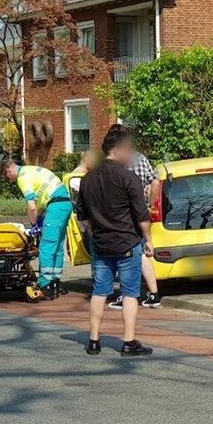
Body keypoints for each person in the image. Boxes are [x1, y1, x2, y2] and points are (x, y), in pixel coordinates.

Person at [77, 125, 154, 357]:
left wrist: (94, 233)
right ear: (119, 149)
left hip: (101, 244)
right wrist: (148, 240)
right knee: (130, 293)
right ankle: (129, 342)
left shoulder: (88, 180)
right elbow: (142, 216)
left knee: (99, 291)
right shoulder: (128, 178)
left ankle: (93, 341)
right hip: (127, 243)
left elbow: (83, 216)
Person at [0, 159, 74, 299]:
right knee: (57, 246)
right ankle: (55, 282)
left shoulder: (23, 178)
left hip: (55, 206)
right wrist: (39, 217)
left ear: (8, 170)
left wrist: (33, 224)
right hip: (65, 204)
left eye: (7, 178)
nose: (9, 181)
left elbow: (32, 206)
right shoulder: (32, 170)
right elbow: (42, 202)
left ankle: (45, 285)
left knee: (46, 247)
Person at [108, 142, 162, 311]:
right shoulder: (140, 158)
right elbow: (155, 182)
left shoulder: (117, 164)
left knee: (126, 254)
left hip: (124, 214)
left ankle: (127, 295)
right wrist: (150, 205)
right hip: (142, 212)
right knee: (143, 254)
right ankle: (154, 294)